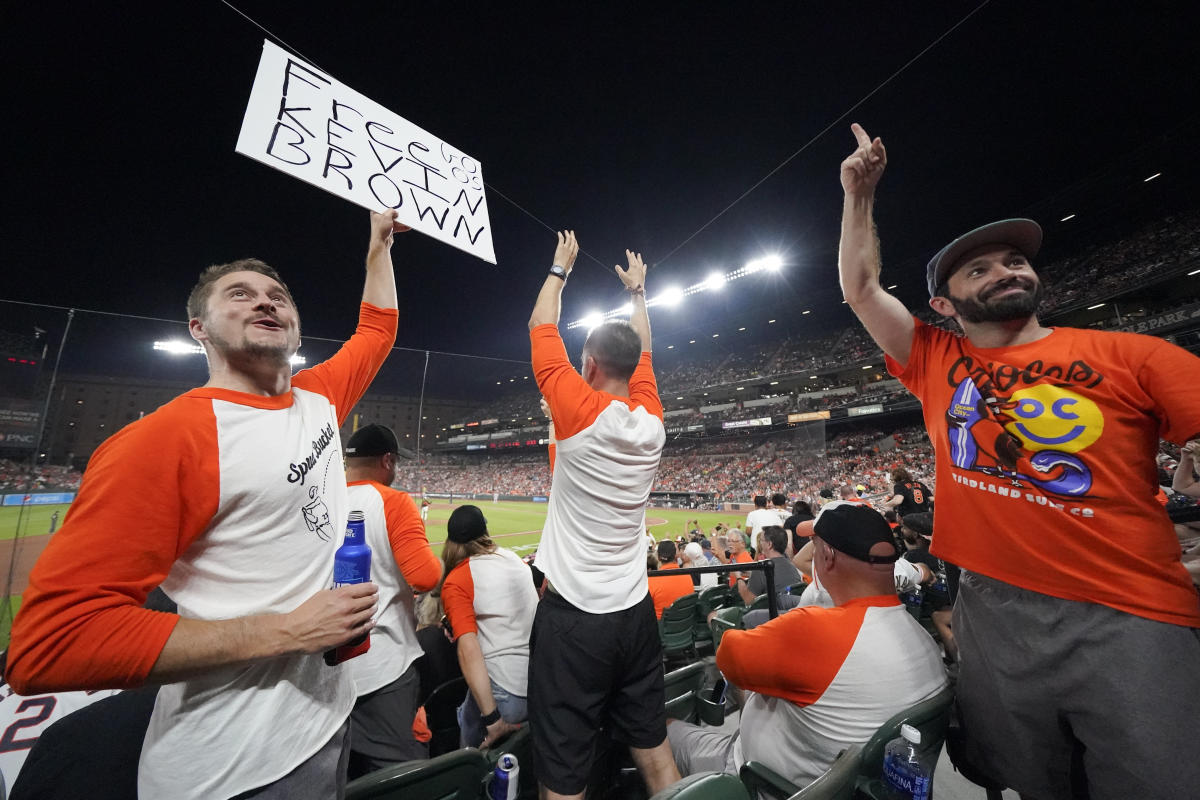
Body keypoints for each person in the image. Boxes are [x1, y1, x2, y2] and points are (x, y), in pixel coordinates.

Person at [837, 122, 1200, 798]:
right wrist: (859, 197)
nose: (1007, 270)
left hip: (1127, 608)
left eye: (1015, 262)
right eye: (980, 268)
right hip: (991, 607)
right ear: (944, 304)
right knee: (1026, 782)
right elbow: (861, 288)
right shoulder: (937, 358)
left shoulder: (1133, 355)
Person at [6, 210, 407, 799]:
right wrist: (286, 631)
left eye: (278, 296)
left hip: (326, 717)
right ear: (198, 327)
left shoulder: (317, 398)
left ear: (295, 327)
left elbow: (377, 330)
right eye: (239, 295)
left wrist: (379, 248)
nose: (265, 303)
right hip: (234, 767)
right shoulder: (164, 440)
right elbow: (49, 644)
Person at [527, 231, 680, 799]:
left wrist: (559, 269)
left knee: (563, 776)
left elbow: (541, 329)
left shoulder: (577, 408)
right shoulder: (652, 420)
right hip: (634, 614)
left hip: (574, 618)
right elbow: (645, 355)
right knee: (656, 755)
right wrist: (640, 294)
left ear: (587, 362)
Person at [667, 502, 947, 788]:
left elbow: (728, 653)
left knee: (663, 730)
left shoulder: (817, 631)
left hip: (759, 779)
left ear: (827, 556)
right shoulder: (922, 640)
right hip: (842, 784)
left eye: (815, 544)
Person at [343, 423, 442, 776]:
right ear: (387, 460)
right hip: (380, 667)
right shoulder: (393, 501)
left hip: (318, 668)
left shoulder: (316, 501)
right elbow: (425, 577)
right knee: (402, 776)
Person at [439, 505, 537, 749]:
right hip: (538, 684)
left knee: (476, 775)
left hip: (502, 692)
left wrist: (492, 718)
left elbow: (467, 649)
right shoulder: (514, 559)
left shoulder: (459, 579)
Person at [897, 512, 959, 662]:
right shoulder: (948, 549)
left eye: (905, 528)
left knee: (937, 617)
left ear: (917, 534)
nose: (902, 531)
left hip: (949, 610)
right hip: (961, 604)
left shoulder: (913, 557)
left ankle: (956, 662)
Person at [649, 540, 698, 617]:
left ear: (658, 557)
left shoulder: (651, 580)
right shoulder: (687, 576)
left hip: (661, 626)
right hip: (686, 624)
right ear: (676, 555)